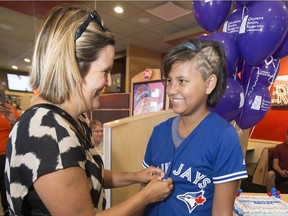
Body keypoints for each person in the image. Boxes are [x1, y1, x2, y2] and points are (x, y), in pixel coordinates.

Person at [4, 4, 173, 216]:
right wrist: (145, 196)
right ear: (73, 68)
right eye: (105, 71)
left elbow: (88, 173)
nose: (109, 81)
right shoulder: (48, 133)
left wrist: (136, 176)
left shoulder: (75, 120)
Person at [142, 38, 248, 216]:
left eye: (182, 81)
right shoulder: (158, 132)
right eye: (169, 80)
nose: (172, 90)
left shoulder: (224, 137)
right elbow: (143, 194)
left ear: (209, 84)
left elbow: (222, 212)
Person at [0, 86, 20, 216]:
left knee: (6, 192)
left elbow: (20, 130)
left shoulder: (10, 110)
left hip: (7, 156)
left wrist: (12, 119)